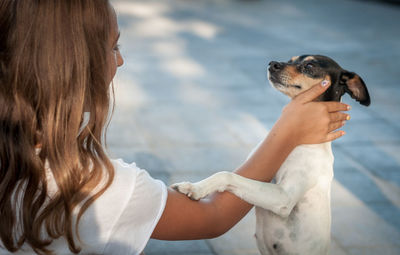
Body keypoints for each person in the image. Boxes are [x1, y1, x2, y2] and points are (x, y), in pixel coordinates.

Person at [0, 0, 350, 254]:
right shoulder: (98, 187)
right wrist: (286, 132)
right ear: (70, 65)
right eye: (113, 47)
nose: (121, 59)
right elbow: (213, 215)